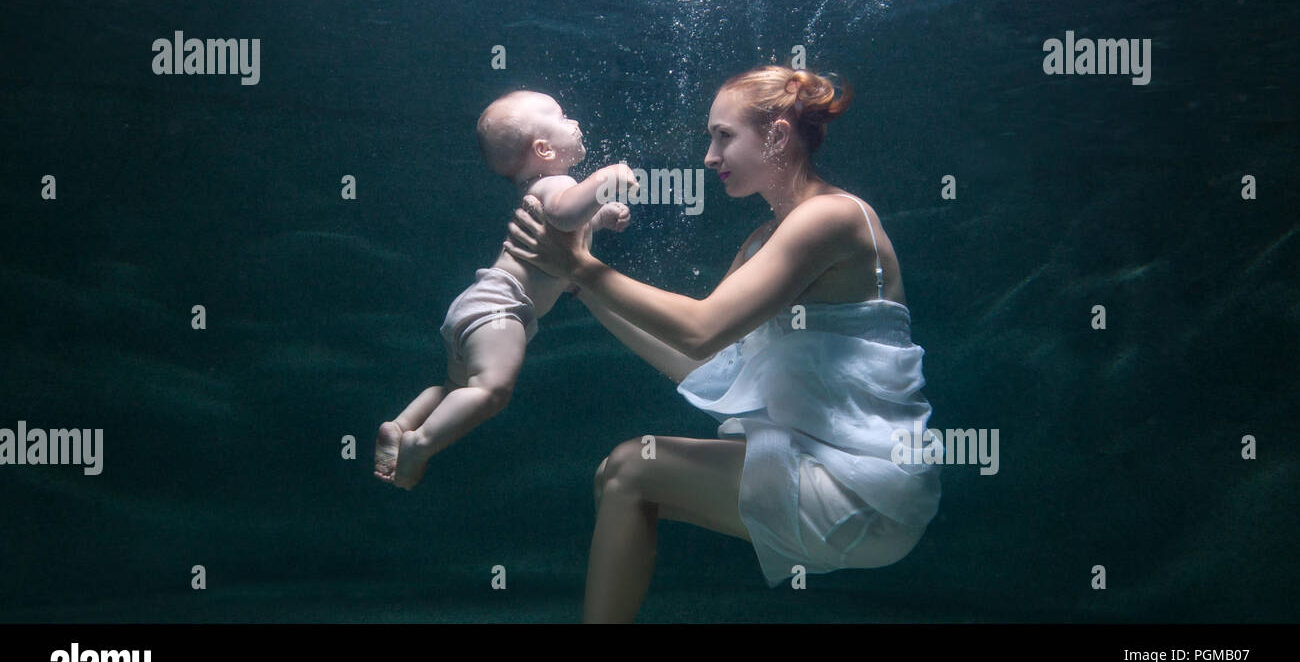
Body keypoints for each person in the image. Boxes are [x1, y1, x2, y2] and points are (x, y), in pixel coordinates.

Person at [503, 65, 942, 622]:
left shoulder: (831, 217)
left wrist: (585, 269)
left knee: (632, 468)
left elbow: (700, 325)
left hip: (867, 493)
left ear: (779, 136)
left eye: (724, 135)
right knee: (623, 476)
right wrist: (579, 285)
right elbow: (699, 359)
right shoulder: (765, 239)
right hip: (826, 472)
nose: (709, 157)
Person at [374, 90, 636, 490]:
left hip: (479, 308)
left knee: (456, 389)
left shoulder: (544, 190)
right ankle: (419, 444)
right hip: (500, 309)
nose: (576, 123)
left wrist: (600, 218)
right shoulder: (557, 185)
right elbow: (565, 214)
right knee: (491, 390)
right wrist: (608, 177)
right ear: (544, 149)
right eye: (563, 117)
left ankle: (401, 423)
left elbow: (567, 227)